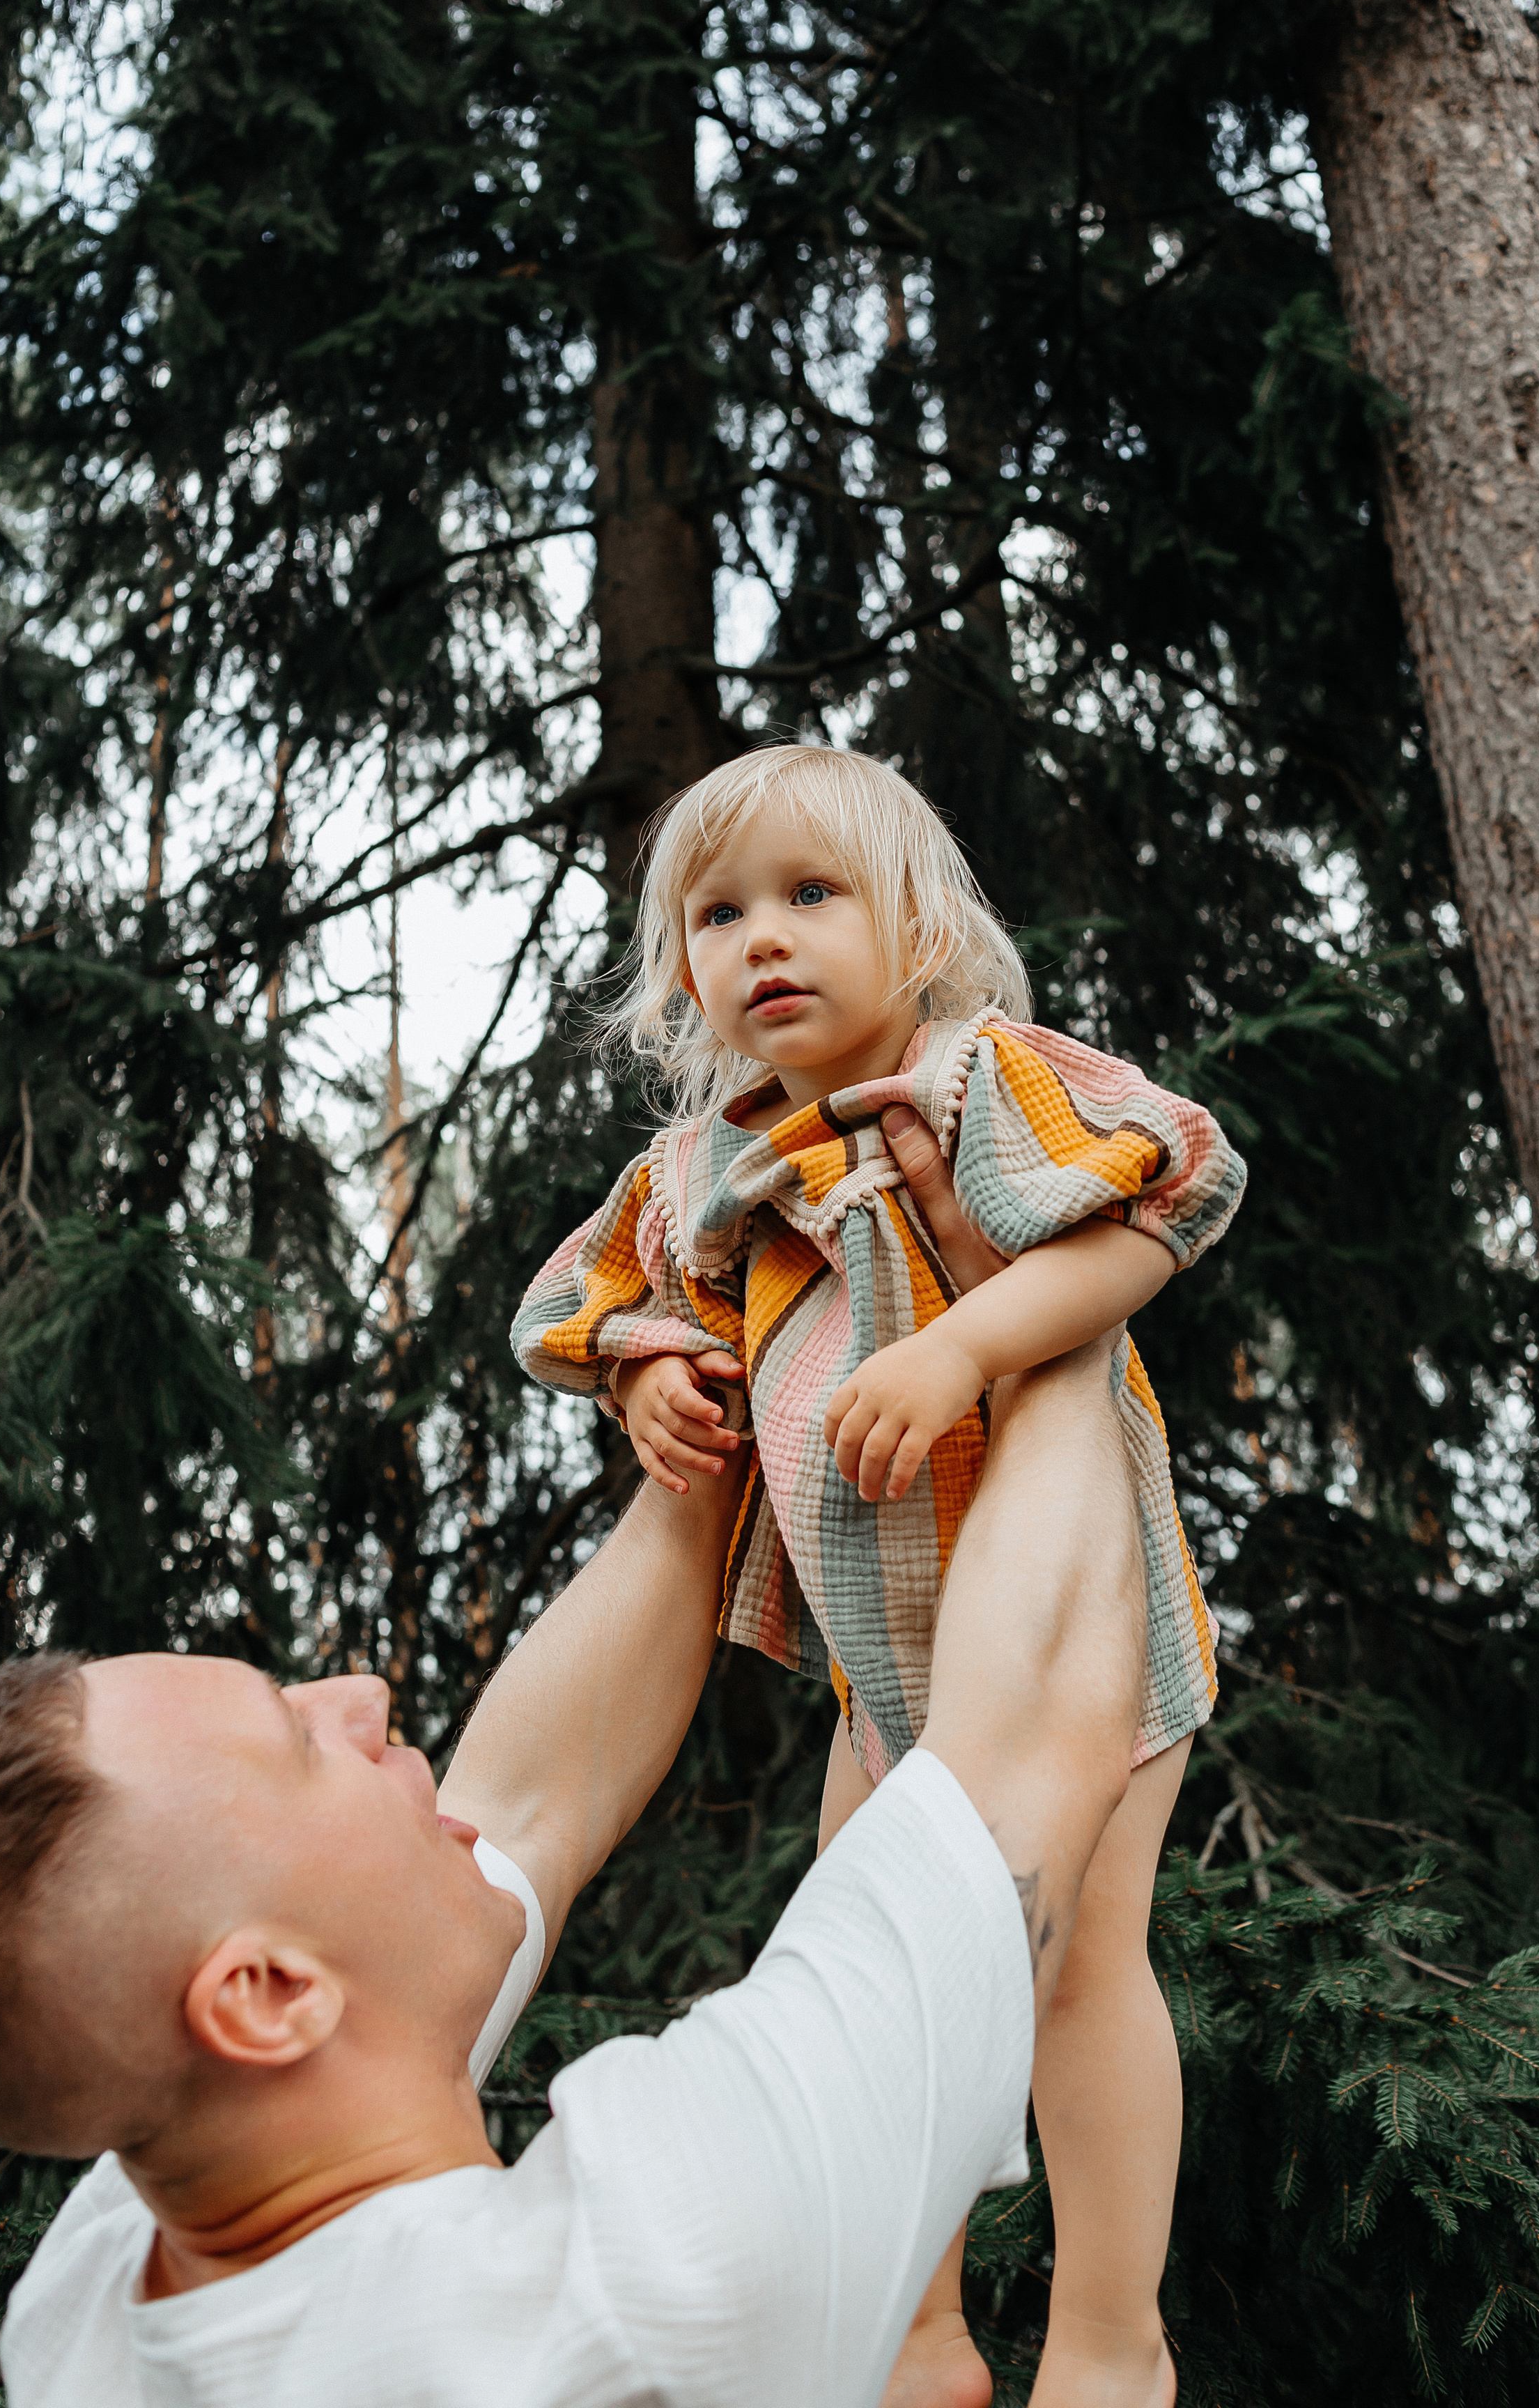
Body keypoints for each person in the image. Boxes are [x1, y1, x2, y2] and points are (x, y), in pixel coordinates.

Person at [0, 1122, 1147, 2408]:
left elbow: (531, 1800)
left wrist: (703, 1424)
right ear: (266, 1996)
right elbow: (1041, 1708)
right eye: (296, 1738)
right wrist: (1042, 1271)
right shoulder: (648, 2275)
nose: (361, 1696)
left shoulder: (105, 2285)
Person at [513, 743, 1246, 2408]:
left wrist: (966, 1342)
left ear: (915, 927)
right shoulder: (705, 1160)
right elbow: (569, 1297)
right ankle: (916, 2337)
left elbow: (1179, 1184)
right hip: (884, 1681)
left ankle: (1109, 2343)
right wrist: (636, 1363)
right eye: (716, 915)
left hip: (1083, 1646)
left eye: (809, 896)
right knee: (869, 1991)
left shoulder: (973, 1076)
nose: (759, 940)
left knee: (1070, 1969)